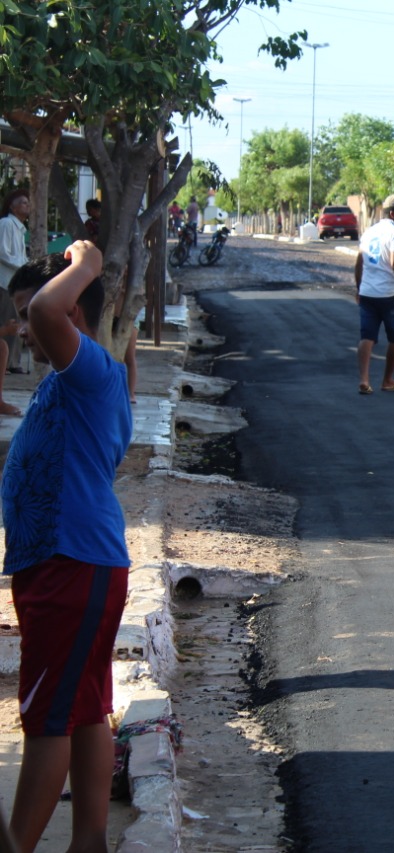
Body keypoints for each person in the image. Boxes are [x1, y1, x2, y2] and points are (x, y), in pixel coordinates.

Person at [3, 242, 132, 853]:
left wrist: (84, 266)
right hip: (67, 566)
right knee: (82, 708)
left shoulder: (90, 371)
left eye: (29, 313)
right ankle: (90, 841)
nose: (23, 329)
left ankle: (18, 843)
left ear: (71, 310)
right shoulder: (71, 380)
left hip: (72, 566)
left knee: (49, 715)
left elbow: (50, 315)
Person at [354, 193, 394, 395]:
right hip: (390, 294)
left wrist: (359, 288)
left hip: (368, 294)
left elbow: (359, 263)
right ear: (393, 213)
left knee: (367, 337)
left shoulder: (370, 231)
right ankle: (387, 380)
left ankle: (364, 380)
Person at [0, 190, 30, 389]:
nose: (27, 206)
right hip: (5, 282)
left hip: (17, 282)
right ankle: (6, 362)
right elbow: (3, 253)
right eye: (23, 203)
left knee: (19, 322)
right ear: (13, 206)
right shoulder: (6, 224)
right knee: (6, 322)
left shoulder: (20, 228)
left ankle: (13, 362)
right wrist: (24, 266)